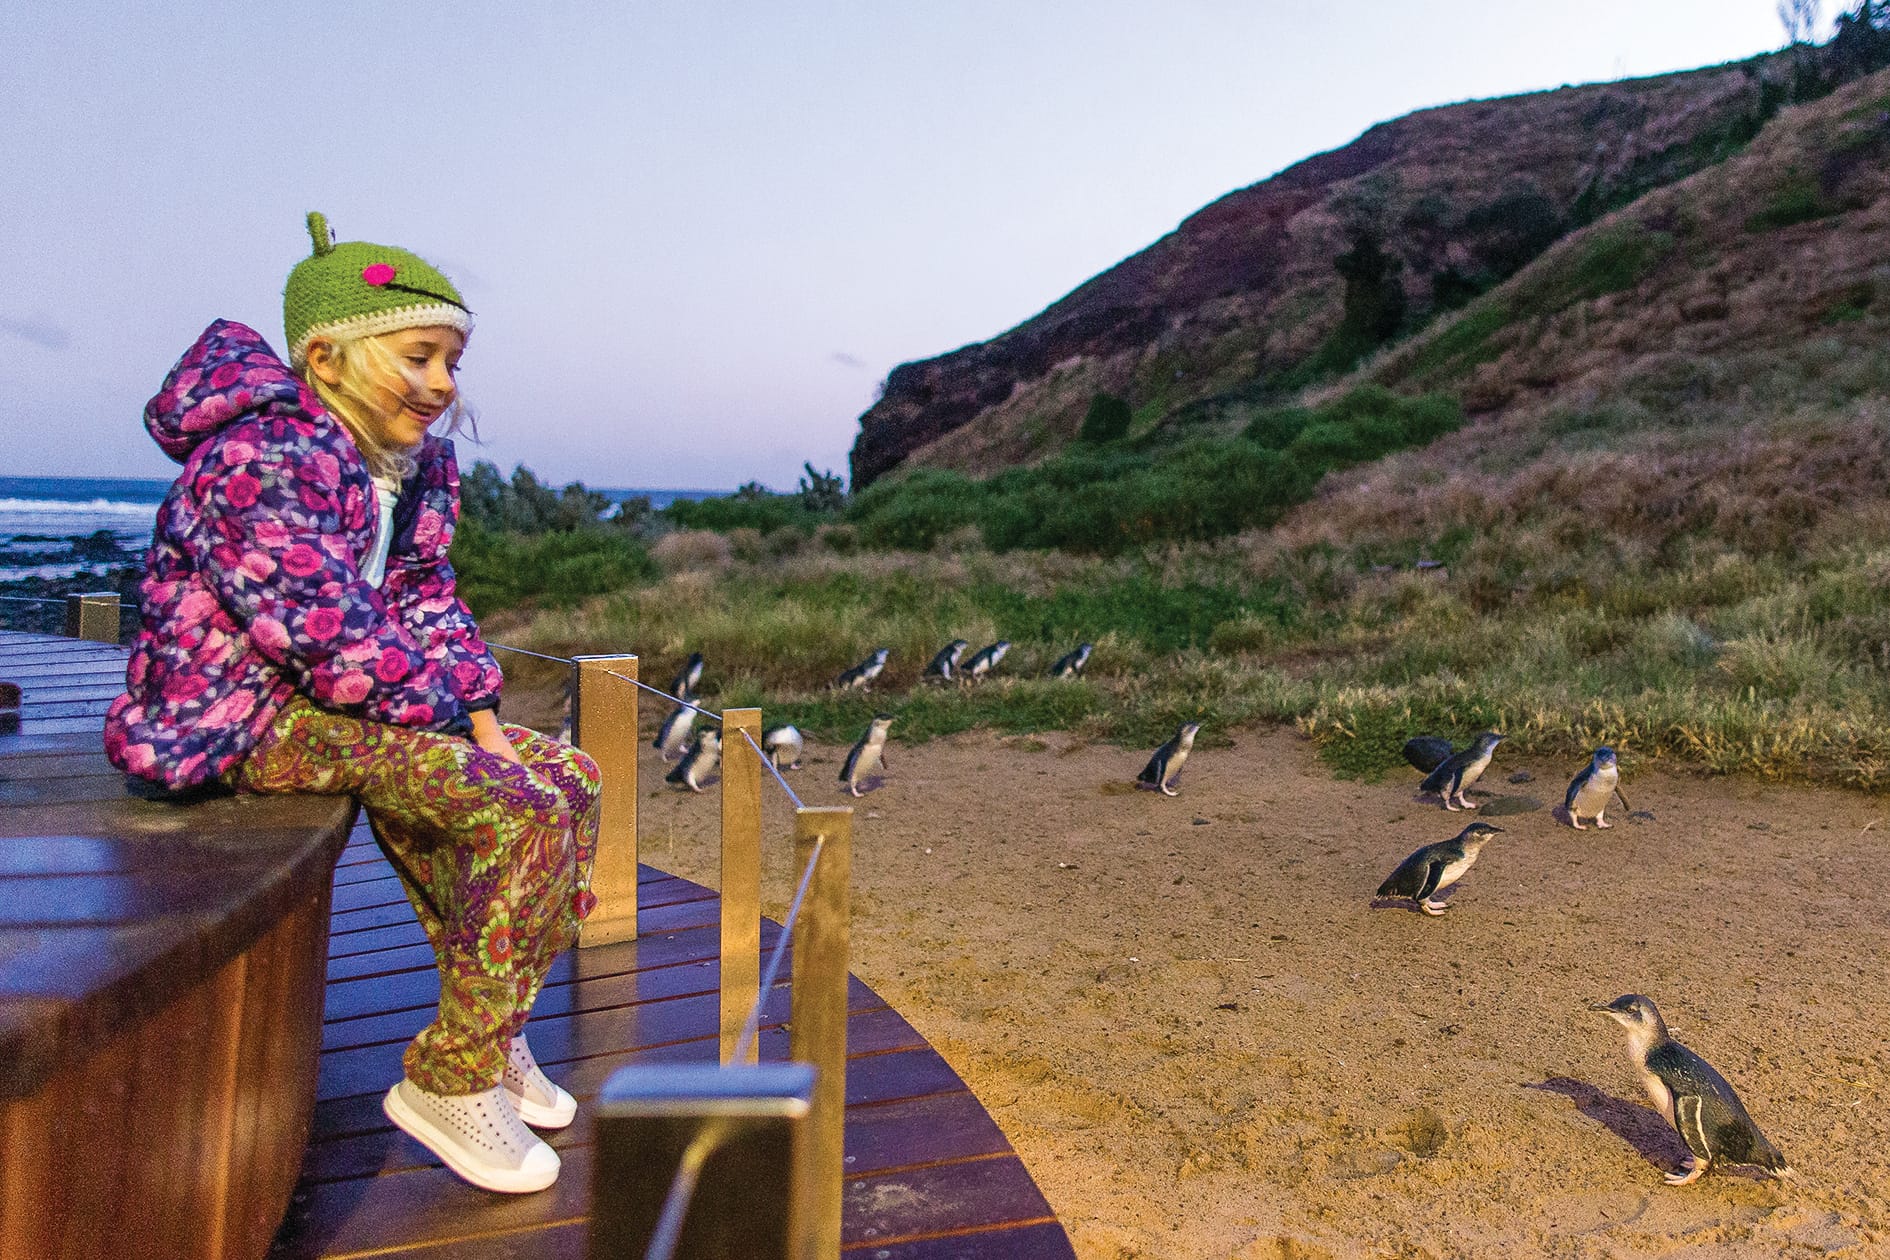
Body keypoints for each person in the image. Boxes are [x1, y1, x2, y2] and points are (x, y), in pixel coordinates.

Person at [105, 213, 598, 1195]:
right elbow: (321, 626)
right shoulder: (256, 459)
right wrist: (462, 740)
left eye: (452, 362)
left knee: (565, 780)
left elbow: (423, 598)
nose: (442, 385)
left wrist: (490, 725)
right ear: (327, 359)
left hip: (340, 706)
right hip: (239, 717)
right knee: (508, 803)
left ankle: (491, 1031)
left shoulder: (406, 474)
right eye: (419, 357)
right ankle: (451, 1082)